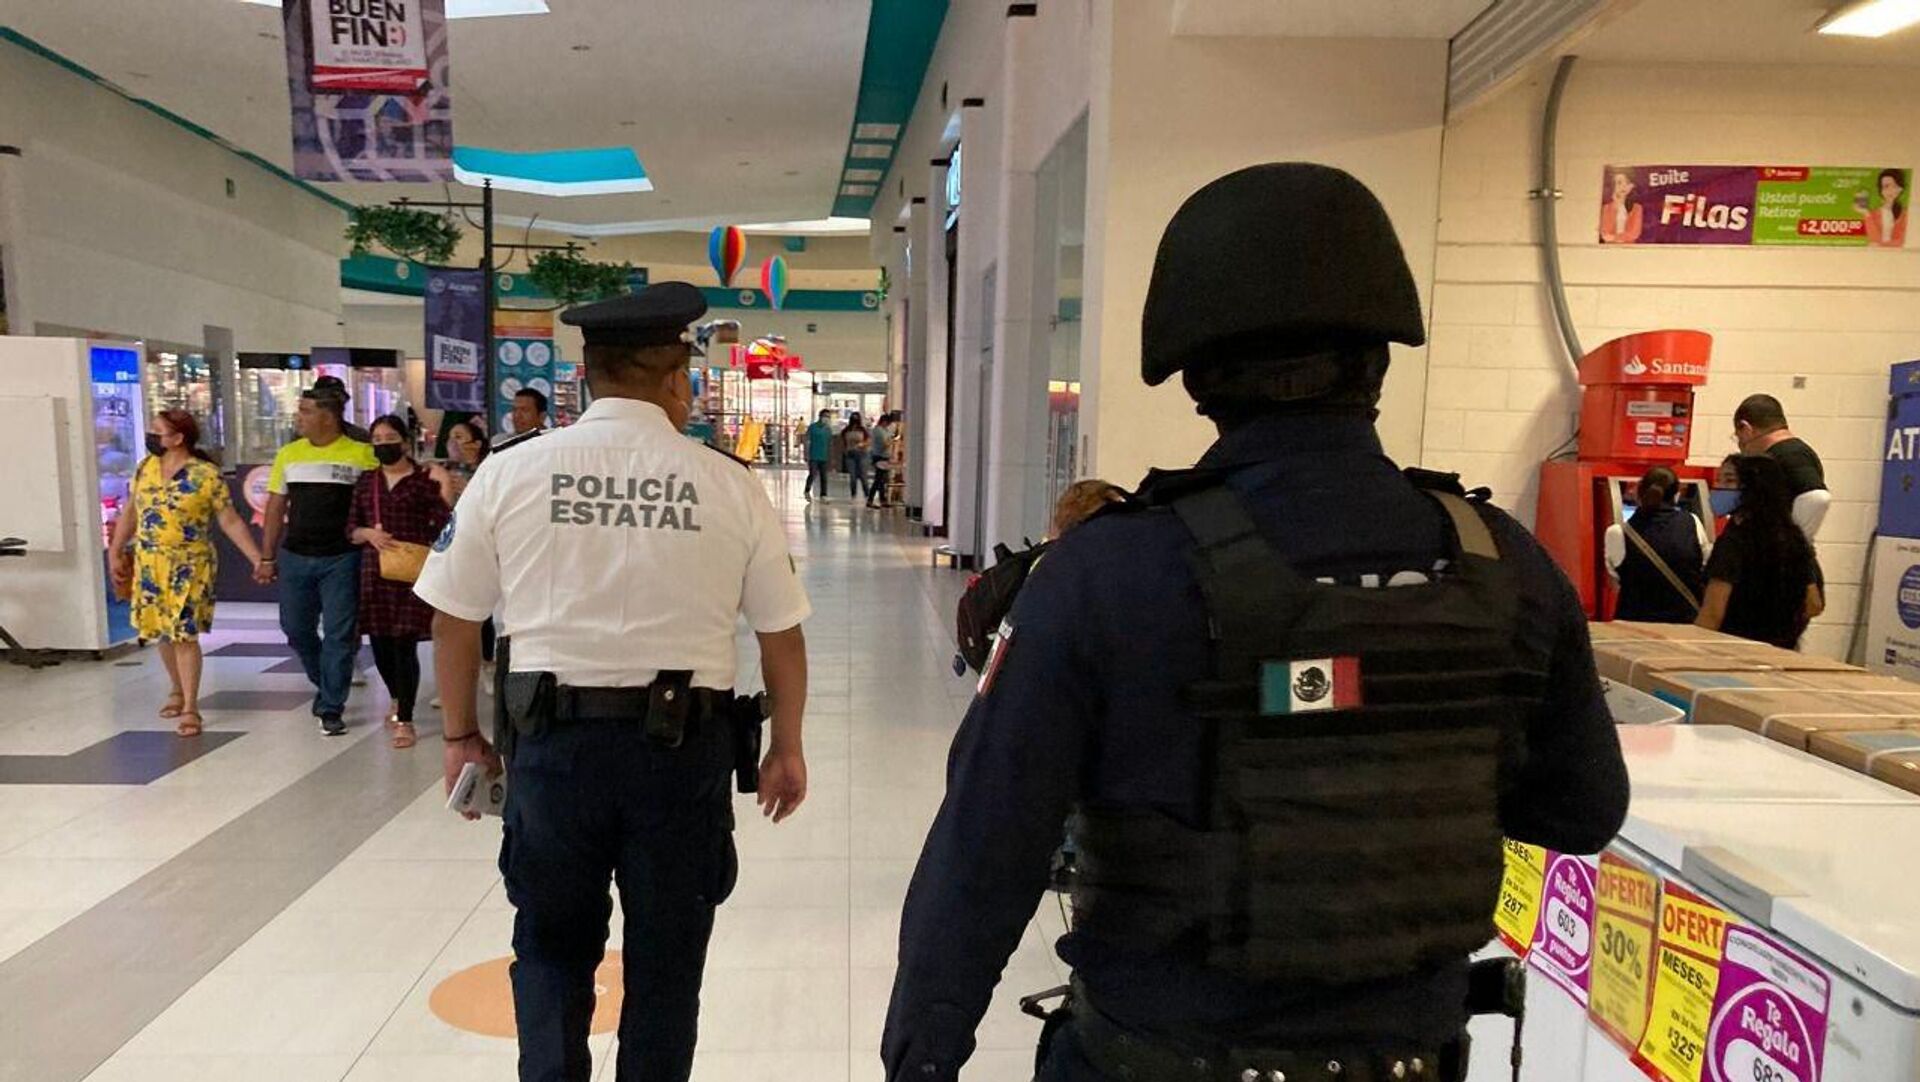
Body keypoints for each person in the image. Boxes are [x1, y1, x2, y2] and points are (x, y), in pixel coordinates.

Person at [882, 164, 1630, 1082]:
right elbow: (1584, 811)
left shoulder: (1107, 574)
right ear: (1379, 362)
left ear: (1197, 377)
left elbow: (986, 847)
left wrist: (923, 1056)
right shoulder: (1503, 564)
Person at [414, 281, 813, 1082]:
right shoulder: (727, 483)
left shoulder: (510, 472)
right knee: (668, 961)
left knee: (551, 948)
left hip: (552, 755)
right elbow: (782, 635)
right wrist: (787, 747)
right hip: (683, 759)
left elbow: (453, 619)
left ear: (587, 375)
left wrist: (461, 735)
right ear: (677, 378)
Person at [107, 409, 266, 737]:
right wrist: (116, 549)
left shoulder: (205, 475)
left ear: (178, 438)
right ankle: (176, 688)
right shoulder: (145, 468)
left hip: (191, 564)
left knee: (184, 632)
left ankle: (191, 706)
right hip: (150, 562)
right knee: (162, 631)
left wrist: (257, 558)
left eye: (158, 431)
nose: (152, 437)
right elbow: (131, 512)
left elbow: (230, 520)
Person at [257, 382, 378, 736]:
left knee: (339, 634)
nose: (299, 418)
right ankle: (325, 683)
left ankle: (330, 706)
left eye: (306, 412)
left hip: (343, 557)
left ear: (327, 416)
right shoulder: (289, 454)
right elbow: (275, 506)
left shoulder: (362, 454)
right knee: (295, 628)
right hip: (296, 555)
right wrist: (267, 556)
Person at [349, 415, 452, 749]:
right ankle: (395, 696)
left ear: (405, 442)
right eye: (377, 439)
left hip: (411, 572)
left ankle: (405, 719)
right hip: (375, 571)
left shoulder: (424, 481)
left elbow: (445, 523)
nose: (383, 444)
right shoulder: (366, 482)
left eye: (390, 437)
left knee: (404, 643)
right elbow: (350, 528)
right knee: (380, 643)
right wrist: (368, 534)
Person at [1698, 454, 1824, 649]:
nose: (1719, 488)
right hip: (1780, 651)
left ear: (1754, 488)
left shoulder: (1733, 542)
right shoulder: (1794, 538)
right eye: (1718, 480)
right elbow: (1813, 604)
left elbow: (1712, 614)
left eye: (1729, 481)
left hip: (1733, 649)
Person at [1604, 465, 1709, 624]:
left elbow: (1615, 576)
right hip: (1684, 625)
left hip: (1635, 625)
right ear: (1677, 495)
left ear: (1639, 492)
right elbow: (1703, 564)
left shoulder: (1617, 532)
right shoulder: (1693, 523)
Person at [1733, 393, 1830, 538]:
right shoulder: (1798, 452)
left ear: (1746, 429)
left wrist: (1792, 542)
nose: (1741, 446)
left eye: (1738, 437)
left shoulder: (1788, 456)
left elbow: (1818, 498)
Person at [1862, 168, 1908, 248]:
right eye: (1886, 186)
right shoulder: (1872, 214)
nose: (1890, 190)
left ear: (1900, 189)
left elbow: (1901, 242)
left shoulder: (1905, 214)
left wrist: (1880, 245)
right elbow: (1873, 239)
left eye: (1894, 186)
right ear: (1881, 190)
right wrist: (1866, 213)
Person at [1600, 169, 1643, 244]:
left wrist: (1614, 237)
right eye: (1619, 183)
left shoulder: (1637, 208)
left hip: (1629, 248)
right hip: (1609, 248)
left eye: (1627, 183)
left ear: (1631, 186)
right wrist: (1616, 206)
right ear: (1613, 186)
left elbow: (1634, 233)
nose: (1623, 186)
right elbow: (1605, 234)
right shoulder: (1606, 208)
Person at [868, 411, 899, 507]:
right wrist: (892, 441)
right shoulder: (878, 431)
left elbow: (890, 437)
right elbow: (885, 444)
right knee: (878, 479)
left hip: (885, 456)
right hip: (879, 457)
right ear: (884, 421)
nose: (889, 425)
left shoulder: (885, 430)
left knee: (882, 480)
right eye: (888, 423)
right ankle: (870, 500)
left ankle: (882, 500)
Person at [804, 408, 834, 502]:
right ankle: (807, 490)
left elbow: (830, 444)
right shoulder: (813, 427)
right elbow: (807, 440)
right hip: (813, 455)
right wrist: (806, 453)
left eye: (828, 417)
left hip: (824, 456)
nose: (827, 419)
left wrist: (831, 457)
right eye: (825, 416)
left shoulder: (828, 430)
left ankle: (823, 495)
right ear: (820, 416)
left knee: (824, 476)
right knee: (813, 474)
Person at [843, 411, 873, 501]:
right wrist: (845, 451)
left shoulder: (863, 430)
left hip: (862, 454)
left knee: (863, 476)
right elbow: (843, 443)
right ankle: (853, 494)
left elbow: (869, 441)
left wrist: (863, 444)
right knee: (852, 477)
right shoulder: (846, 430)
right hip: (850, 455)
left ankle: (867, 495)